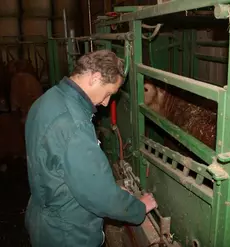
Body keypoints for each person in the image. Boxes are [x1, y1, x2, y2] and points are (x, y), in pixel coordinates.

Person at [24, 50, 157, 247]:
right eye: (108, 93)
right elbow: (100, 197)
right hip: (68, 233)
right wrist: (137, 208)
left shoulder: (47, 100)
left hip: (43, 219)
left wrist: (107, 187)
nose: (106, 103)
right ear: (95, 78)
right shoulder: (74, 124)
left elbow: (62, 170)